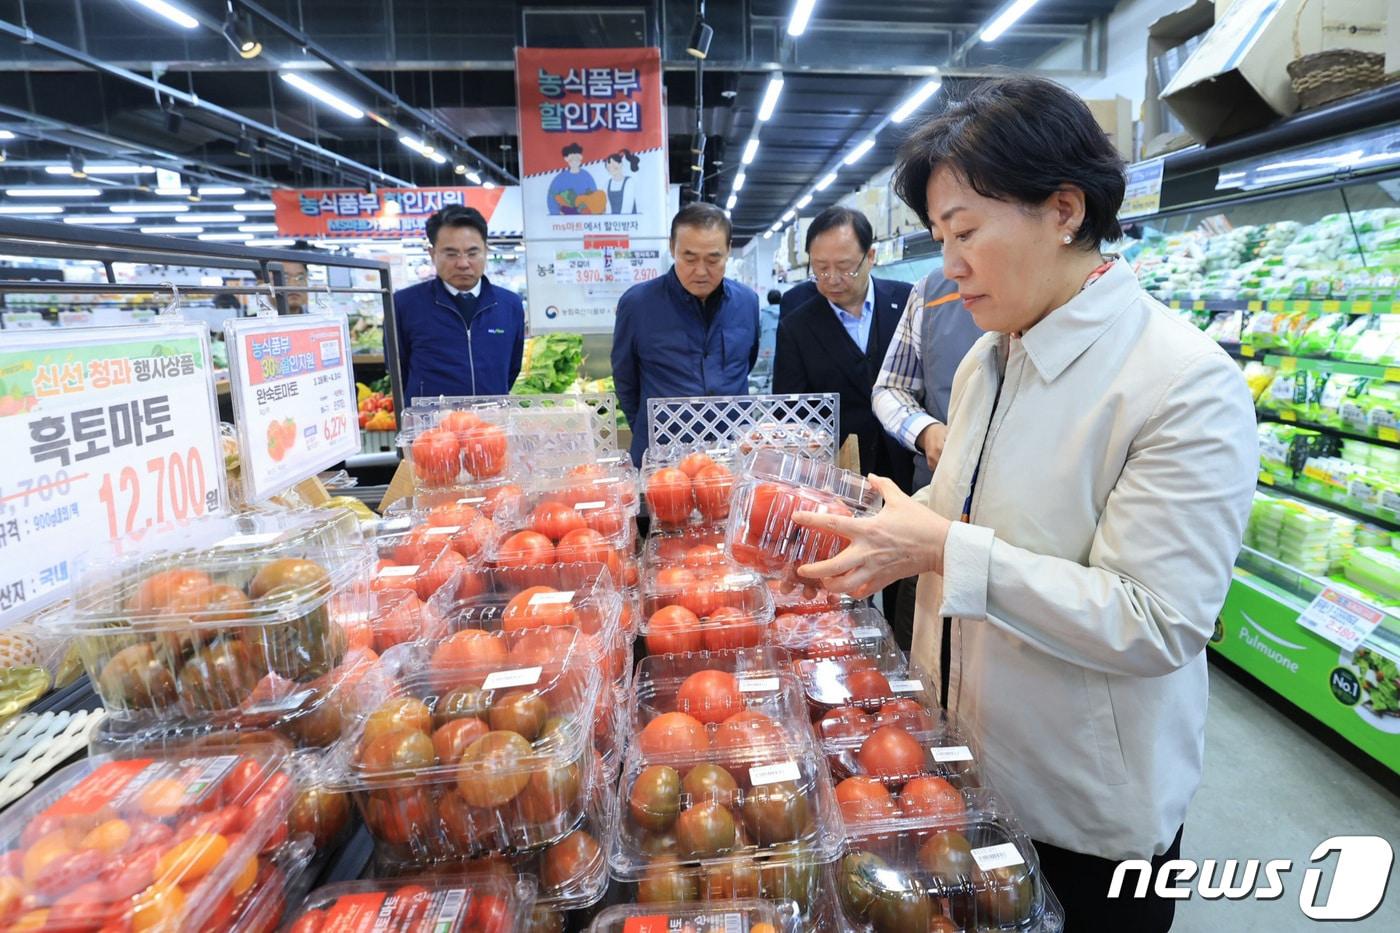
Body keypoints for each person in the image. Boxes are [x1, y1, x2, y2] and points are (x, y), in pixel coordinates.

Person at [790, 76, 1256, 932]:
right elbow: (975, 507)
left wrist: (939, 548)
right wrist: (893, 524)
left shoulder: (1182, 384)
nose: (948, 263)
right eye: (939, 236)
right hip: (965, 779)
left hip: (1086, 820)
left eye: (966, 230)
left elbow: (1156, 621)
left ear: (1065, 209)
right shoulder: (987, 360)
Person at [773, 206, 914, 493]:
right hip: (840, 480)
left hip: (910, 465)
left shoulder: (907, 301)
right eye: (821, 268)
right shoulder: (797, 327)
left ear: (871, 257)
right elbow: (789, 414)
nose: (832, 279)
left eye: (845, 267)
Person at [612, 202, 760, 466]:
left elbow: (746, 363)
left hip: (731, 456)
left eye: (713, 259)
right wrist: (651, 430)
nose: (701, 271)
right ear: (672, 249)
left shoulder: (747, 302)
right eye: (689, 258)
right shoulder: (637, 304)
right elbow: (625, 380)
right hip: (662, 460)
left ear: (728, 250)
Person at [391, 205, 525, 400]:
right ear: (432, 253)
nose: (463, 263)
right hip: (433, 425)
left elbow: (512, 369)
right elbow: (398, 370)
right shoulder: (404, 304)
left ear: (485, 251)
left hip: (491, 423)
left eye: (472, 253)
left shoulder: (509, 305)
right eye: (451, 254)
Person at [872, 273, 984, 491]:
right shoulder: (928, 292)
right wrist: (925, 430)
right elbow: (890, 387)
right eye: (942, 243)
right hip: (939, 487)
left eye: (964, 237)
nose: (951, 266)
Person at [748, 287, 782, 395]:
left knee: (766, 374)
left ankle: (767, 393)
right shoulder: (786, 312)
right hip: (782, 348)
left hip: (766, 350)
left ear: (768, 300)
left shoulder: (763, 314)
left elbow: (756, 331)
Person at [547, 142, 598, 215]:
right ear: (566, 159)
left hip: (585, 217)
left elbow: (595, 196)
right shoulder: (559, 179)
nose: (574, 161)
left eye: (577, 158)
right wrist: (557, 213)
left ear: (581, 157)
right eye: (571, 158)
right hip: (564, 221)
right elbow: (551, 198)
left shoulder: (587, 177)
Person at [604, 149, 640, 214]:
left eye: (614, 167)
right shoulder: (607, 184)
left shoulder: (629, 182)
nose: (612, 169)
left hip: (628, 221)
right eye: (609, 168)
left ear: (621, 165)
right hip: (613, 221)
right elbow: (607, 207)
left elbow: (627, 209)